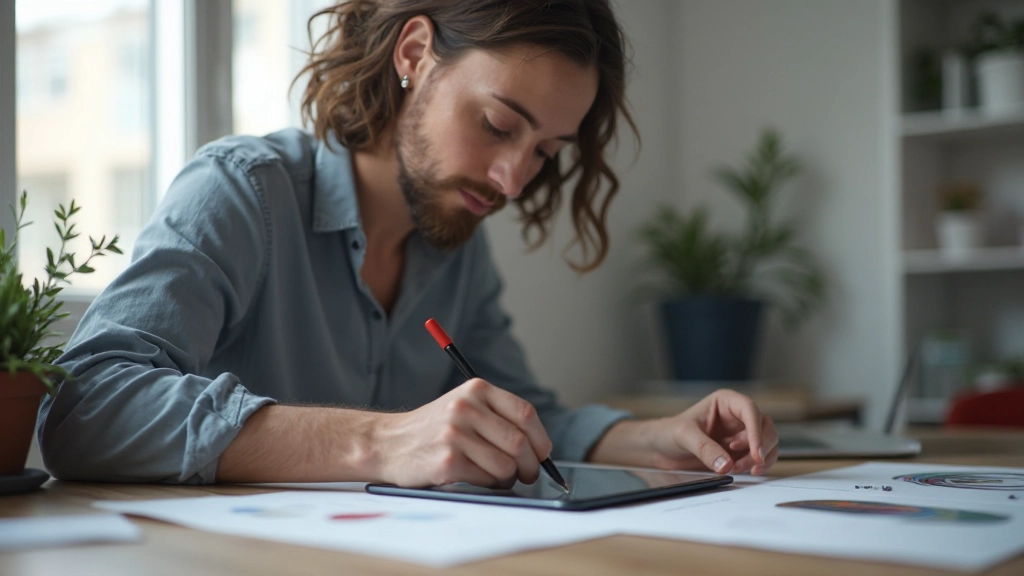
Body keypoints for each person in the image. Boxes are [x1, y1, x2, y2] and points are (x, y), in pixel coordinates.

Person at [37, 0, 778, 487]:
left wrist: (661, 438)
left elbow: (525, 416)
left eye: (547, 153)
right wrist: (383, 442)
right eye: (497, 125)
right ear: (415, 52)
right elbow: (84, 408)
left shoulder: (457, 243)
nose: (513, 180)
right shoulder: (244, 193)